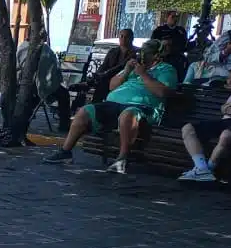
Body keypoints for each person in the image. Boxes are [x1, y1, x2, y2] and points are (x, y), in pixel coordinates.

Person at [43, 38, 178, 173]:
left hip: (142, 108)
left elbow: (162, 92)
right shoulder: (133, 67)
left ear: (155, 55)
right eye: (141, 52)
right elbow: (112, 86)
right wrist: (126, 70)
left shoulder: (166, 69)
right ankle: (65, 152)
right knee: (85, 111)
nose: (141, 56)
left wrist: (143, 74)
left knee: (128, 116)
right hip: (113, 104)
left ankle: (122, 159)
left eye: (146, 53)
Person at [16, 34, 70, 132]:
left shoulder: (22, 47)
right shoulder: (44, 49)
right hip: (39, 85)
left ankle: (23, 120)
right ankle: (64, 126)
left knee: (33, 98)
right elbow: (51, 69)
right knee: (64, 95)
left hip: (23, 85)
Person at [85, 28, 137, 103]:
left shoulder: (135, 52)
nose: (123, 39)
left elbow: (121, 67)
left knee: (103, 81)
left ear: (131, 39)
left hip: (123, 80)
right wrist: (98, 75)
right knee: (101, 84)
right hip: (106, 79)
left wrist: (103, 74)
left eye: (126, 37)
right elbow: (104, 66)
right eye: (121, 36)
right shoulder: (113, 51)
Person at [150, 9, 189, 81]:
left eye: (176, 17)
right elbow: (153, 44)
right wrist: (163, 43)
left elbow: (185, 44)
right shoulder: (159, 30)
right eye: (173, 17)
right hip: (163, 58)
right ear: (167, 17)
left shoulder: (181, 31)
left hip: (178, 59)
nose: (175, 19)